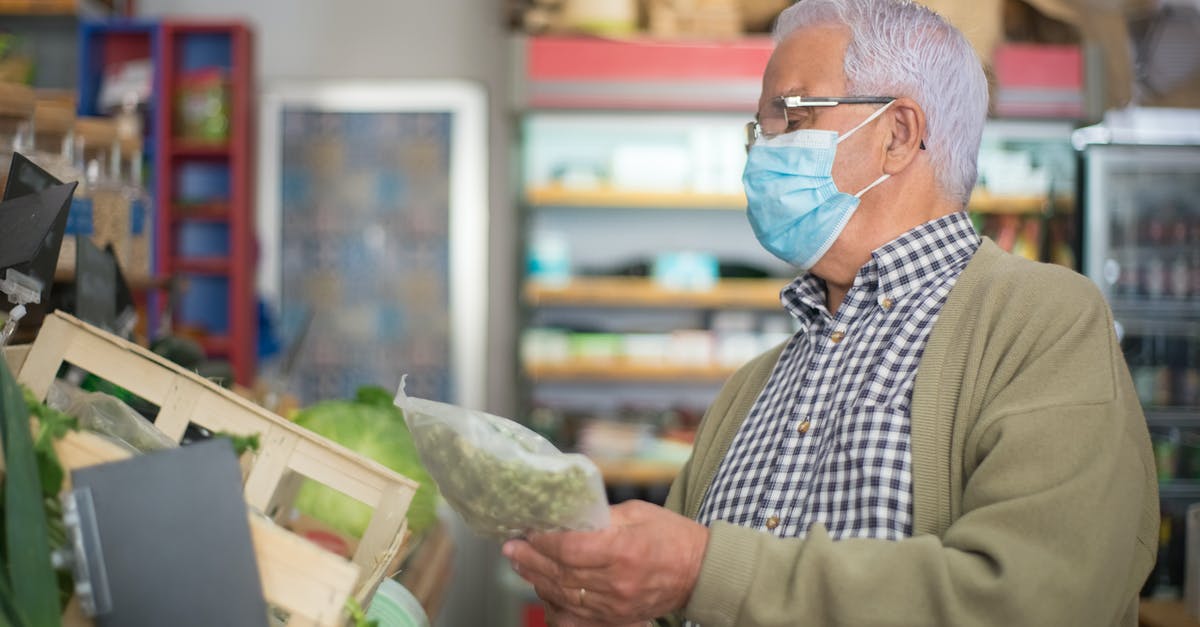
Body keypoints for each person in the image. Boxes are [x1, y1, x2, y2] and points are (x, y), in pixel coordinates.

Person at [502, 0, 1159, 625]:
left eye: (790, 115)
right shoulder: (751, 387)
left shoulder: (1043, 323)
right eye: (757, 129)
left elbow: (1030, 601)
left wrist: (702, 566)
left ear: (898, 135)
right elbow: (685, 607)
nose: (761, 151)